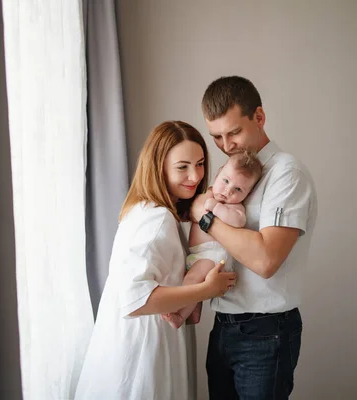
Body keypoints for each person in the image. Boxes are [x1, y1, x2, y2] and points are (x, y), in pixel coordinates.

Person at [75, 120, 237, 400]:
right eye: (182, 167)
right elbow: (134, 299)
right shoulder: (156, 219)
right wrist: (208, 289)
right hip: (144, 349)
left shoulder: (146, 210)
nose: (195, 176)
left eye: (199, 164)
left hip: (141, 342)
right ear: (158, 166)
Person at [190, 76, 318, 399]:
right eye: (216, 137)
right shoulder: (231, 170)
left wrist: (206, 218)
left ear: (259, 118)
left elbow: (265, 260)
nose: (226, 145)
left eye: (234, 132)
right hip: (223, 326)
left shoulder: (287, 174)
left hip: (266, 334)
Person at [162, 150, 262, 329]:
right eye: (225, 181)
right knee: (192, 281)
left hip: (213, 256)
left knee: (192, 281)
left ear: (248, 193)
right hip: (199, 254)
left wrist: (217, 209)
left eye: (238, 189)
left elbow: (238, 222)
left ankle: (179, 316)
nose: (227, 191)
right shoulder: (207, 195)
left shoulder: (235, 207)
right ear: (218, 174)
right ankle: (194, 312)